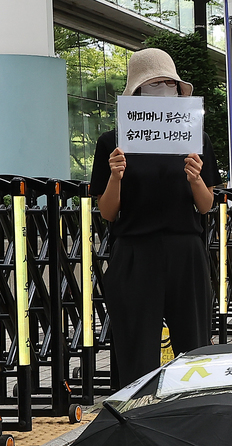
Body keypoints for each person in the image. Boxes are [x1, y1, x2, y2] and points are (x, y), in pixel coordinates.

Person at [92, 48, 220, 386]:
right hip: (134, 251)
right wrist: (116, 176)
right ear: (135, 92)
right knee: (135, 352)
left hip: (185, 250)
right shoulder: (114, 142)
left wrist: (195, 179)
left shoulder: (196, 138)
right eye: (153, 84)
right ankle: (133, 425)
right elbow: (107, 212)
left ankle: (191, 422)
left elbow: (206, 206)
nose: (164, 90)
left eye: (170, 84)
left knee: (194, 350)